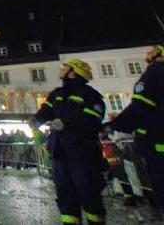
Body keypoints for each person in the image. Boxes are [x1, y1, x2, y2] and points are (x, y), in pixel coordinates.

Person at [29, 58, 106, 225]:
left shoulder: (90, 95)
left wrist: (67, 123)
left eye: (65, 67)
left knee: (88, 192)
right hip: (60, 151)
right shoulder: (58, 93)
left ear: (73, 72)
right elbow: (47, 110)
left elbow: (92, 119)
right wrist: (37, 119)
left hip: (82, 151)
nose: (62, 69)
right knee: (65, 194)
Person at [108, 44, 164, 216]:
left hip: (157, 139)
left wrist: (115, 124)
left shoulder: (155, 72)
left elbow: (141, 105)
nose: (148, 52)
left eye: (153, 49)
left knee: (159, 178)